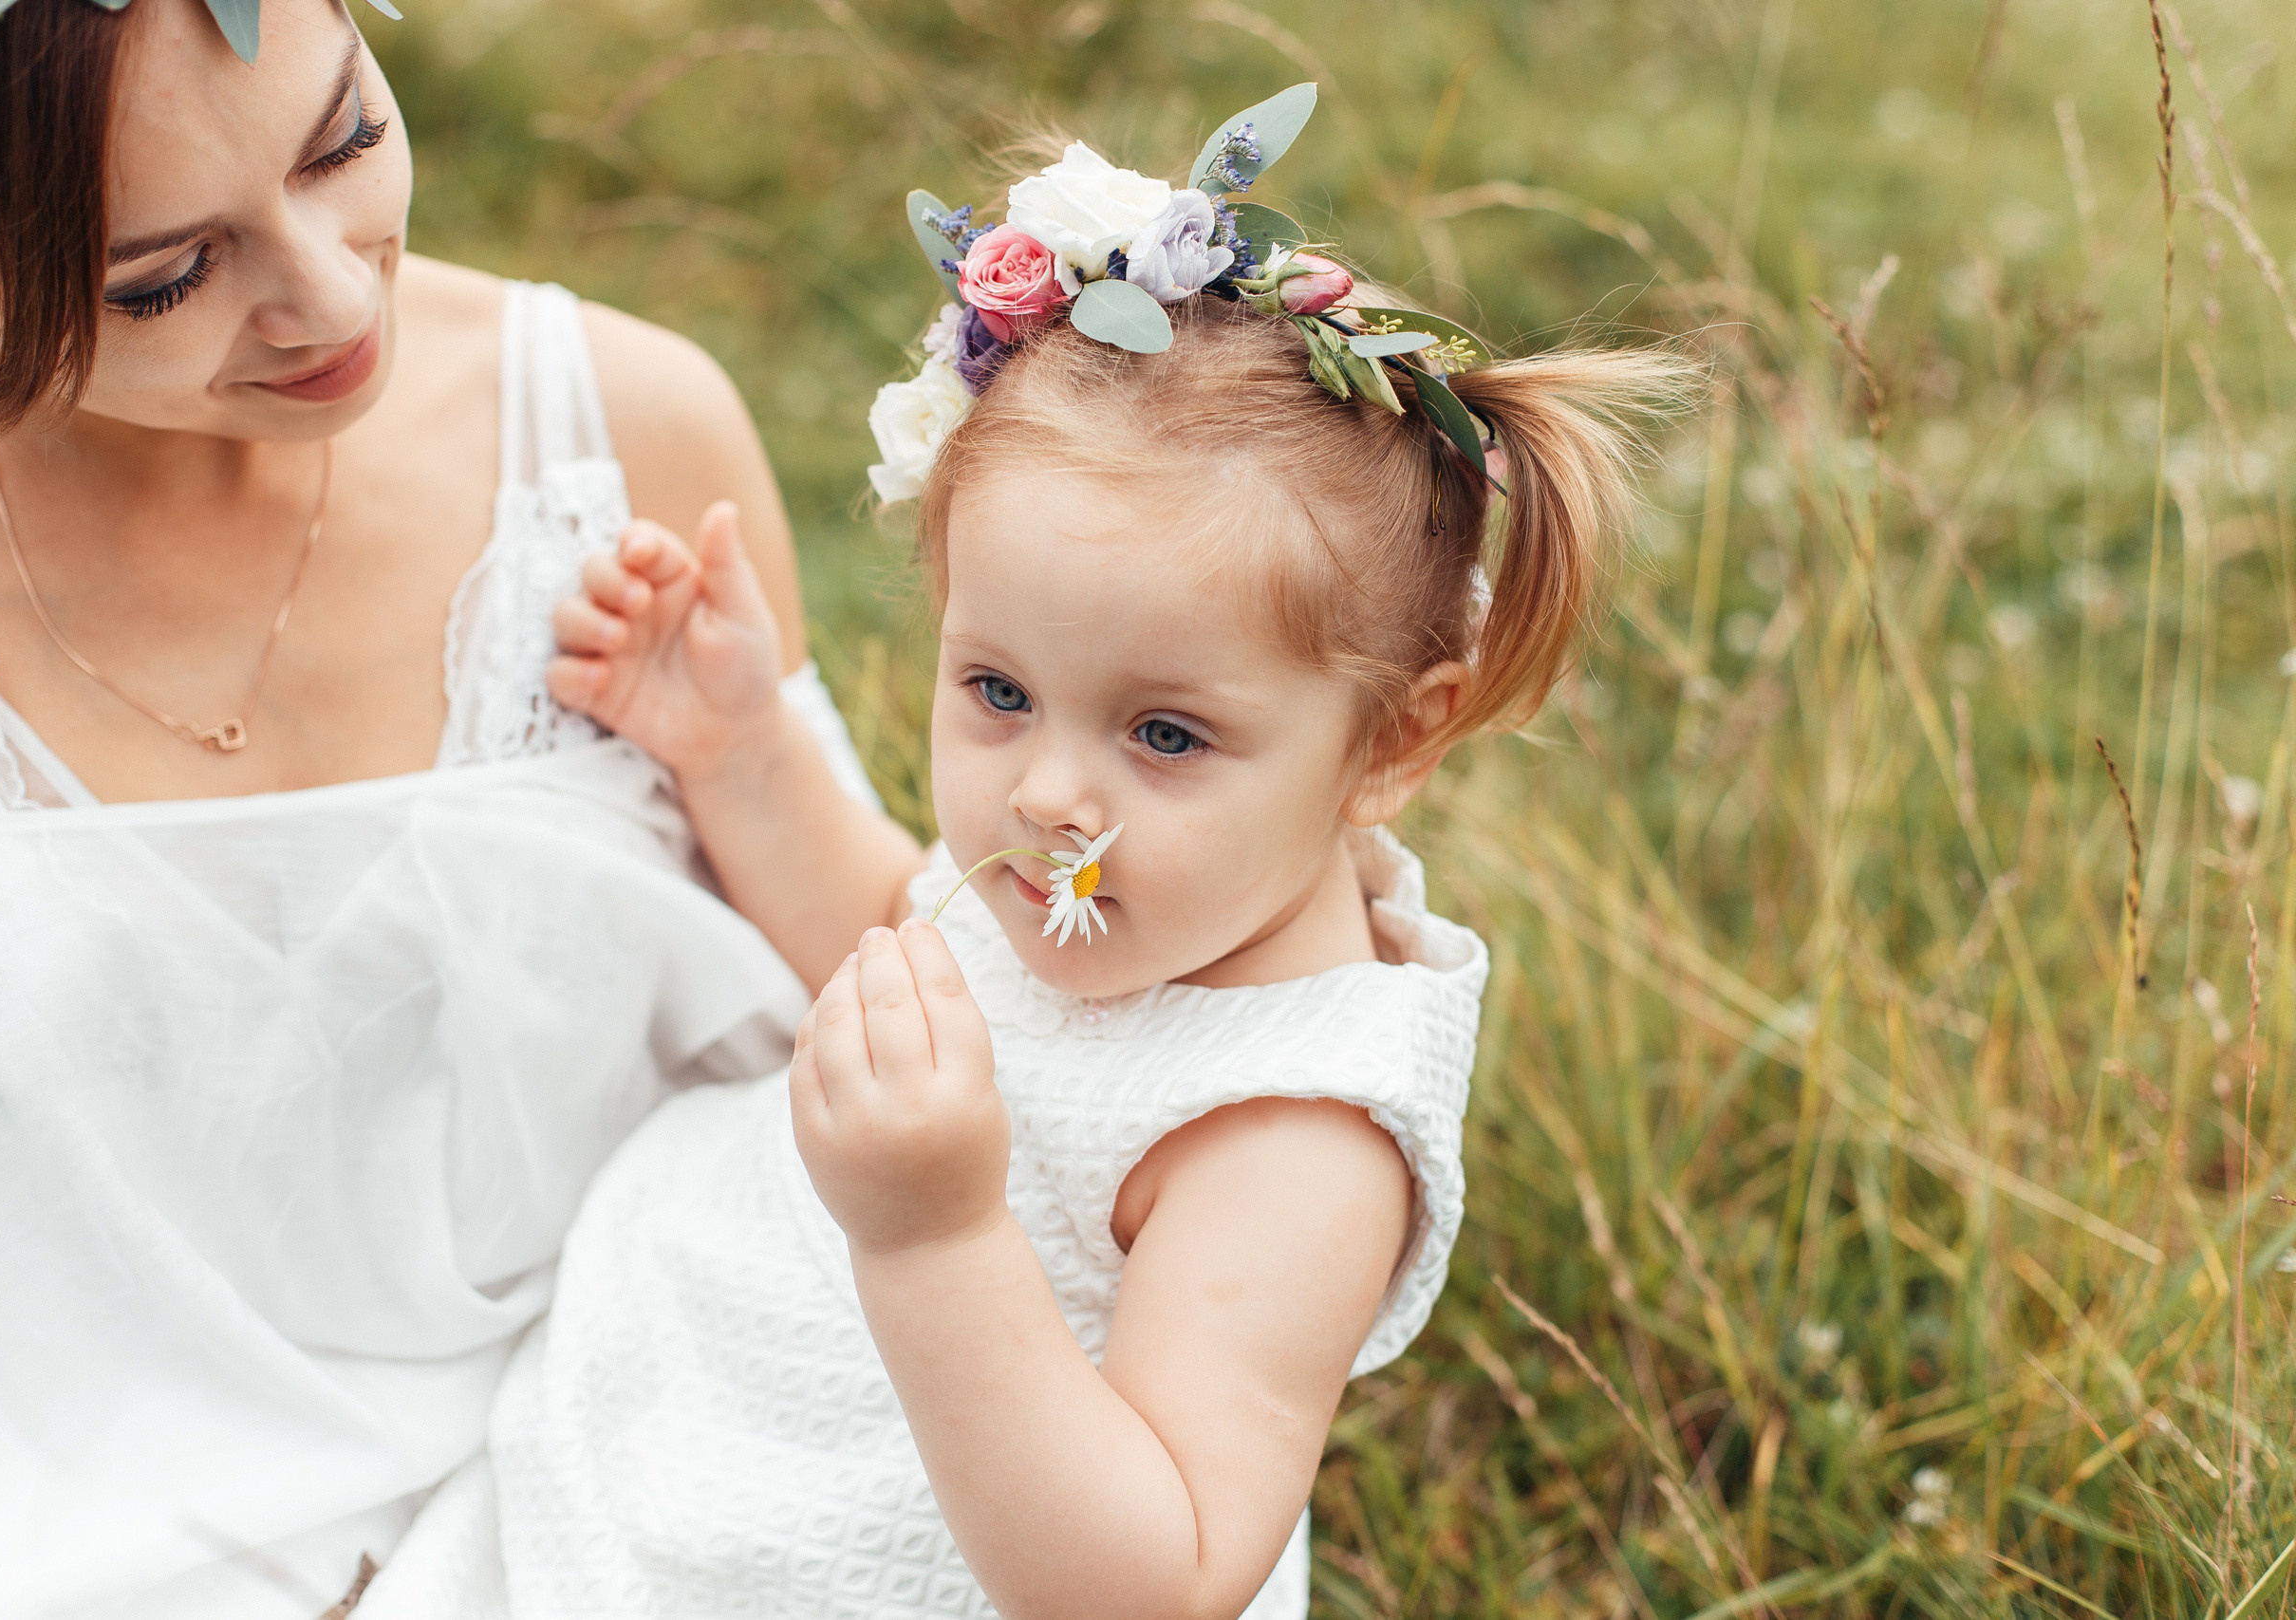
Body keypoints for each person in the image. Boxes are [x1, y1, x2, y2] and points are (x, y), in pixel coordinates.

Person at [502, 107, 1690, 1618]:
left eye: (1168, 736)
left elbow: (1156, 1579)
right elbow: (886, 926)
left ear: (1393, 743)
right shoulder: (1106, 890)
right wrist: (736, 747)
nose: (1052, 796)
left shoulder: (1289, 1134)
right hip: (700, 1377)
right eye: (996, 693)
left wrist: (932, 1233)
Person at [0, 0, 896, 1613]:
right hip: (40, 1511)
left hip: (660, 1427)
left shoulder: (621, 431)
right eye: (164, 276)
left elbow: (881, 975)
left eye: (343, 136)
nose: (334, 292)